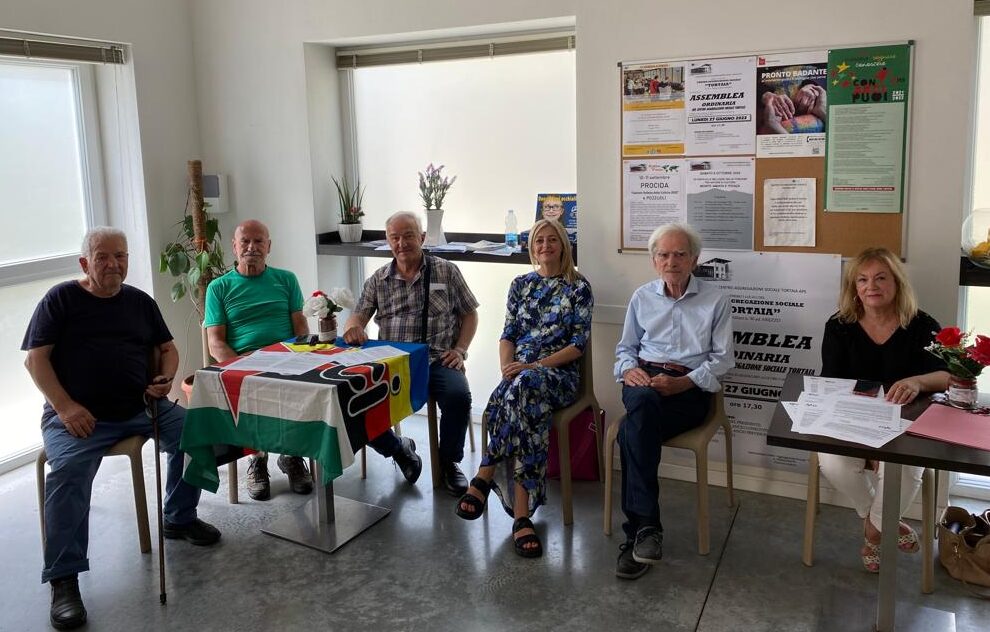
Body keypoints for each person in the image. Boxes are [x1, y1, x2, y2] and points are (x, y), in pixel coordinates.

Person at [22, 227, 221, 631]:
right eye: (103, 257)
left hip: (140, 406)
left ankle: (178, 517)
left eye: (121, 256)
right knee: (69, 473)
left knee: (195, 433)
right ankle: (64, 578)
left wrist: (165, 378)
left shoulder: (139, 302)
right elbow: (35, 360)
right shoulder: (61, 299)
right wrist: (66, 407)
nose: (114, 264)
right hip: (78, 415)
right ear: (85, 263)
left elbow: (168, 350)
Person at [455, 219, 593, 558]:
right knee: (518, 393)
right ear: (532, 249)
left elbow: (577, 346)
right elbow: (508, 335)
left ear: (563, 245)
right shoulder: (521, 285)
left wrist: (531, 367)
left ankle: (484, 474)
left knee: (519, 388)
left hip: (559, 376)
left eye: (552, 240)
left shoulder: (578, 287)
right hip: (522, 378)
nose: (545, 246)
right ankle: (521, 516)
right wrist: (507, 367)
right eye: (538, 241)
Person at [612, 223, 734, 580]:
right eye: (664, 254)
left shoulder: (715, 300)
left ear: (694, 259)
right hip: (643, 378)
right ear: (654, 261)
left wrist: (683, 383)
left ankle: (639, 532)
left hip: (689, 389)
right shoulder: (641, 296)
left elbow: (723, 359)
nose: (672, 261)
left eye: (680, 254)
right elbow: (625, 349)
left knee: (632, 431)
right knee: (644, 402)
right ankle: (647, 529)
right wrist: (628, 370)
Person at [818, 247, 949, 573]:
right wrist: (866, 441)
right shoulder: (839, 325)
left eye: (880, 278)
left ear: (896, 283)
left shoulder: (921, 324)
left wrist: (918, 381)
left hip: (906, 424)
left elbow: (948, 375)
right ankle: (879, 521)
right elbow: (831, 384)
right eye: (862, 279)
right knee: (832, 462)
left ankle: (873, 533)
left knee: (900, 468)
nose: (870, 286)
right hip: (852, 422)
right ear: (854, 287)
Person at [343, 211, 478, 494]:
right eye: (395, 237)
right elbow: (357, 317)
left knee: (458, 396)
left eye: (408, 235)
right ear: (388, 241)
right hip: (393, 362)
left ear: (422, 237)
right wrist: (354, 329)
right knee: (354, 402)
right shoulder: (378, 279)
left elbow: (469, 314)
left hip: (438, 358)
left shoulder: (446, 270)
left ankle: (448, 463)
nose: (402, 243)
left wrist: (460, 350)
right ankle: (399, 450)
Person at [204, 219, 314, 501]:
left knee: (310, 388)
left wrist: (303, 355)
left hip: (286, 357)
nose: (252, 248)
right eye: (245, 242)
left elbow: (300, 325)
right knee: (252, 388)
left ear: (269, 246)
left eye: (258, 241)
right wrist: (244, 367)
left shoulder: (286, 279)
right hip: (244, 362)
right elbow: (215, 342)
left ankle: (292, 456)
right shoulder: (219, 287)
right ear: (234, 246)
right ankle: (257, 460)